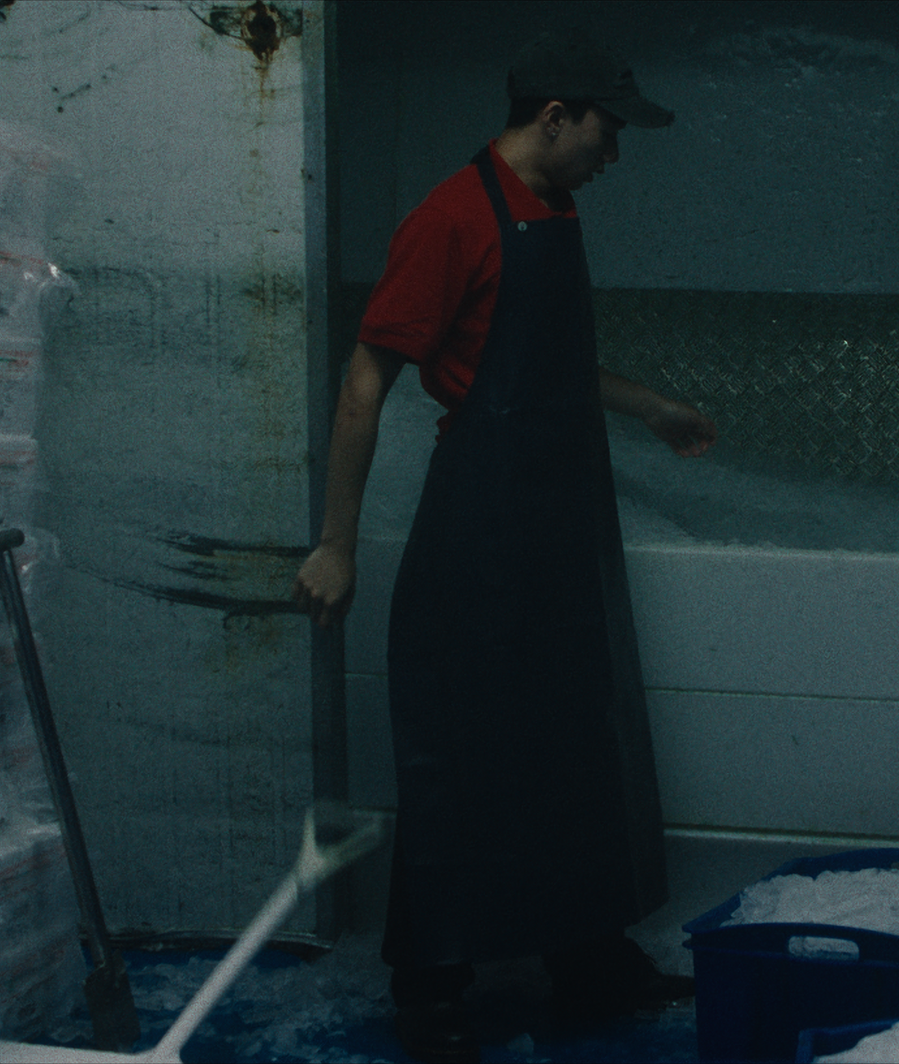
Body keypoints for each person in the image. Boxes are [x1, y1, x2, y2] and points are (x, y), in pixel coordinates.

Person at [290, 29, 717, 1064]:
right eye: (607, 133)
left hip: (561, 521)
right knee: (464, 752)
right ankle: (431, 987)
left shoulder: (552, 207)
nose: (614, 155)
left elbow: (554, 367)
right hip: (479, 525)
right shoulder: (449, 217)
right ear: (554, 116)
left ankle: (587, 957)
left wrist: (649, 405)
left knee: (577, 735)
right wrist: (335, 544)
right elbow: (361, 388)